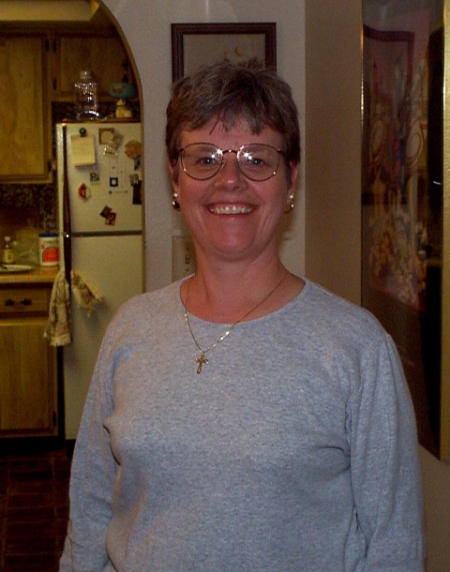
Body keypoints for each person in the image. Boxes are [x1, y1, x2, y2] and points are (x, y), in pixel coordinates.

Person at [60, 61, 424, 571]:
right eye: (204, 158)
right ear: (175, 179)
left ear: (291, 179)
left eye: (257, 159)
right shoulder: (130, 328)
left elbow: (393, 546)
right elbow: (91, 510)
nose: (229, 180)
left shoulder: (357, 349)